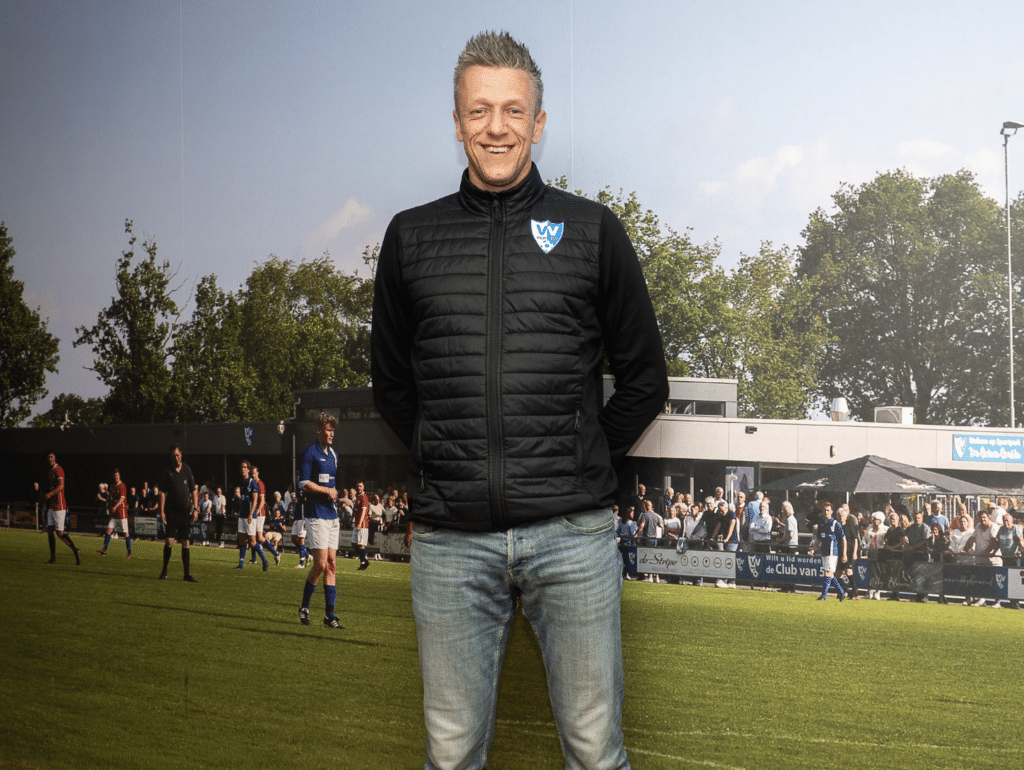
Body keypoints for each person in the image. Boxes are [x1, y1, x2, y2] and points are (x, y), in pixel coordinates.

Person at [370, 30, 667, 770]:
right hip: (450, 545)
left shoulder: (593, 231)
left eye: (512, 110)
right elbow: (393, 385)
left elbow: (645, 379)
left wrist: (579, 459)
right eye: (479, 110)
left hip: (573, 539)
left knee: (596, 753)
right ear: (457, 121)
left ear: (538, 122)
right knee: (450, 756)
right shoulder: (410, 238)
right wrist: (443, 458)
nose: (495, 127)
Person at [297, 412, 343, 629]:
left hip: (331, 514)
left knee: (332, 564)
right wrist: (327, 491)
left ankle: (329, 616)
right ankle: (304, 607)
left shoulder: (333, 454)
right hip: (315, 513)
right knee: (321, 564)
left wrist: (336, 495)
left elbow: (330, 485)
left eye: (333, 430)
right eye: (328, 429)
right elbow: (304, 483)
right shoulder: (310, 453)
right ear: (319, 430)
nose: (331, 433)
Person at [158, 445, 198, 582]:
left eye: (178, 455)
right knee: (169, 541)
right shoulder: (167, 471)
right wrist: (162, 511)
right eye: (174, 455)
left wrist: (196, 508)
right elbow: (162, 492)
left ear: (181, 454)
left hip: (185, 512)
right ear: (171, 457)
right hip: (171, 512)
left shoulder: (187, 469)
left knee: (185, 542)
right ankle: (164, 570)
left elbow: (193, 490)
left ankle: (186, 574)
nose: (177, 457)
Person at [43, 451, 81, 565]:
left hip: (59, 505)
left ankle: (75, 550)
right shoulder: (50, 471)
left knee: (59, 533)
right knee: (50, 531)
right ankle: (53, 558)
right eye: (48, 457)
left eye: (51, 457)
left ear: (54, 458)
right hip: (52, 506)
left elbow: (61, 486)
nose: (50, 459)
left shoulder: (58, 469)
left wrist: (50, 494)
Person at [809, 502, 846, 602]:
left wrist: (844, 553)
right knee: (829, 574)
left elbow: (843, 539)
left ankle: (824, 595)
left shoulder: (835, 524)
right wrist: (813, 549)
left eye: (828, 510)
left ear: (832, 511)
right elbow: (818, 538)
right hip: (824, 551)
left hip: (832, 551)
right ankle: (842, 592)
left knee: (828, 573)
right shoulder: (821, 523)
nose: (826, 512)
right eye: (825, 510)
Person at [250, 465, 281, 566]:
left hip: (260, 514)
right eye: (252, 473)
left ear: (258, 473)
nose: (253, 475)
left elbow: (262, 500)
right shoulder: (252, 483)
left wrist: (257, 511)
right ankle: (254, 559)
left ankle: (276, 553)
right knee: (252, 536)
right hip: (254, 513)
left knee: (259, 537)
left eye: (254, 473)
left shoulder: (260, 484)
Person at [98, 468, 132, 558]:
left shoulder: (122, 486)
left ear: (119, 476)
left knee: (125, 533)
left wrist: (115, 506)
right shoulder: (112, 486)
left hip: (121, 513)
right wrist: (103, 498)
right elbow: (110, 499)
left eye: (117, 475)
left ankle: (129, 553)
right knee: (108, 531)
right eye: (115, 475)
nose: (116, 477)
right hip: (114, 514)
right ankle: (104, 550)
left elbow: (122, 499)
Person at [235, 461, 262, 570]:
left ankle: (264, 560)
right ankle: (241, 564)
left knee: (252, 541)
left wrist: (251, 514)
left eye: (245, 467)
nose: (243, 469)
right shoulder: (242, 483)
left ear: (248, 469)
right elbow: (243, 499)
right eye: (242, 467)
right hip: (242, 515)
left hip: (250, 516)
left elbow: (255, 501)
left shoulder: (252, 483)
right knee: (241, 539)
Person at [350, 481, 371, 570]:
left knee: (361, 544)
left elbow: (364, 511)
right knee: (353, 543)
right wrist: (352, 518)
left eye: (360, 486)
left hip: (362, 524)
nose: (359, 488)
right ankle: (365, 559)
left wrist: (360, 523)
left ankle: (363, 563)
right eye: (358, 486)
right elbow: (355, 510)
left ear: (363, 487)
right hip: (357, 524)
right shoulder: (358, 497)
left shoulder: (364, 497)